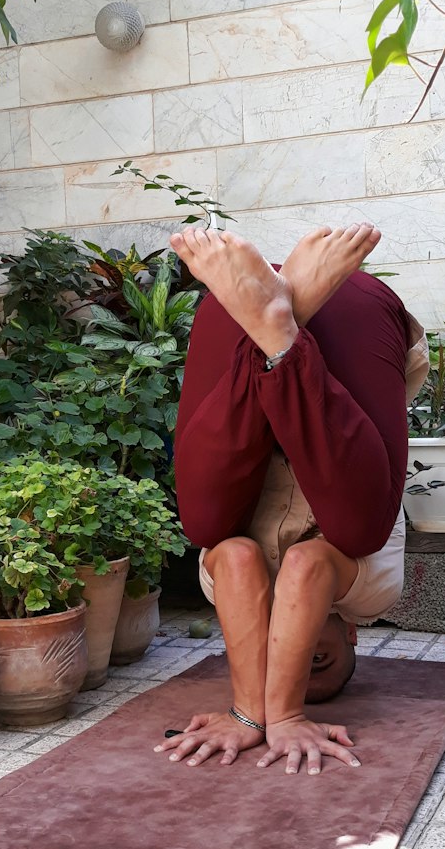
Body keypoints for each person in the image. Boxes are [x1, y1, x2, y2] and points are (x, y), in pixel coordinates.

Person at [155, 224, 427, 776]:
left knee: (208, 525)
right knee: (357, 531)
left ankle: (275, 323)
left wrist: (249, 713)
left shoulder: (223, 590)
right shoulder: (372, 597)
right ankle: (284, 328)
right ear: (351, 635)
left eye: (294, 674)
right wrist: (284, 715)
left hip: (235, 315)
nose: (295, 664)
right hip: (352, 313)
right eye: (318, 662)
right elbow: (306, 566)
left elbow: (234, 558)